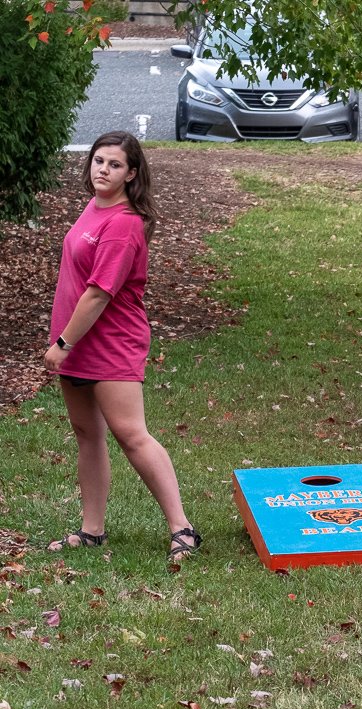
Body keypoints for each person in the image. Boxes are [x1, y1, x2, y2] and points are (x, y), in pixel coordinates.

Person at [44, 131, 202, 563]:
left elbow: (98, 294)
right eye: (98, 161)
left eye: (114, 165)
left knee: (131, 434)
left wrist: (62, 342)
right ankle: (92, 530)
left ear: (131, 174)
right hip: (77, 340)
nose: (103, 170)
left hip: (109, 343)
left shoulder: (124, 224)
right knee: (87, 434)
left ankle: (182, 528)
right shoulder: (96, 207)